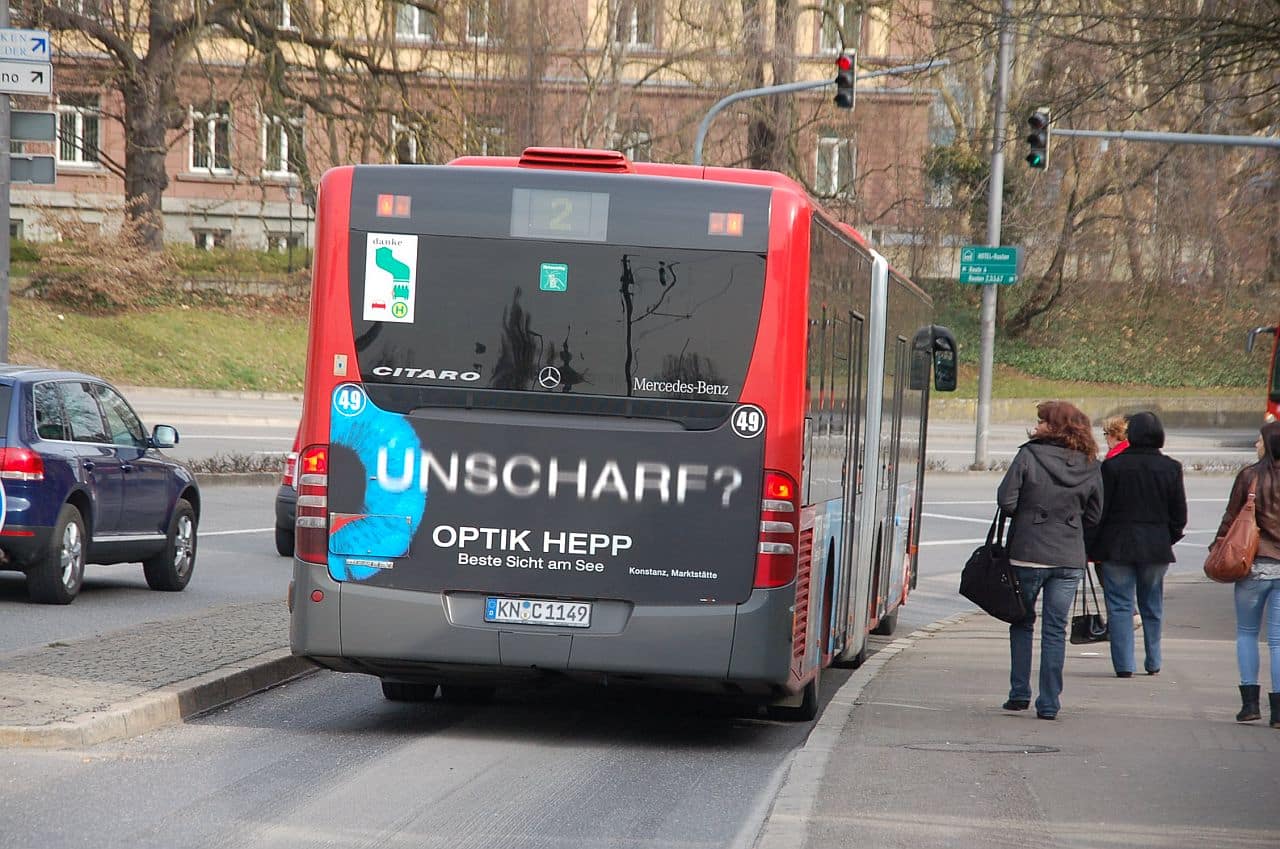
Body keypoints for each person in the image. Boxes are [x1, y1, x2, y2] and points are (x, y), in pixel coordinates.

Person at [997, 400, 1103, 720]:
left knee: (1022, 621)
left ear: (1055, 426)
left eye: (1042, 421)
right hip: (1068, 557)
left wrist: (1031, 515)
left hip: (1028, 553)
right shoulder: (1090, 463)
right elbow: (1094, 515)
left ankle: (1019, 693)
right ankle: (1049, 703)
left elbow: (1006, 501)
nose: (1037, 425)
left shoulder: (1029, 455)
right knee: (1055, 629)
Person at [1086, 412, 1186, 677]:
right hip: (1156, 547)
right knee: (1152, 604)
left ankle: (1124, 665)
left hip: (1117, 545)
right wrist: (1166, 537)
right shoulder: (1171, 468)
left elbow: (1100, 512)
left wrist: (1092, 546)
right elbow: (1179, 516)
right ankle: (1153, 660)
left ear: (1131, 434)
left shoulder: (1113, 466)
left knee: (1120, 605)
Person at [1214, 420, 1280, 727]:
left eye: (1259, 440)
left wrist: (1218, 547)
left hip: (1253, 565)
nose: (1256, 444)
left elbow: (1231, 518)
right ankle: (1278, 711)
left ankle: (1250, 704)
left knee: (1247, 632)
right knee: (1278, 641)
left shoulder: (1250, 476)